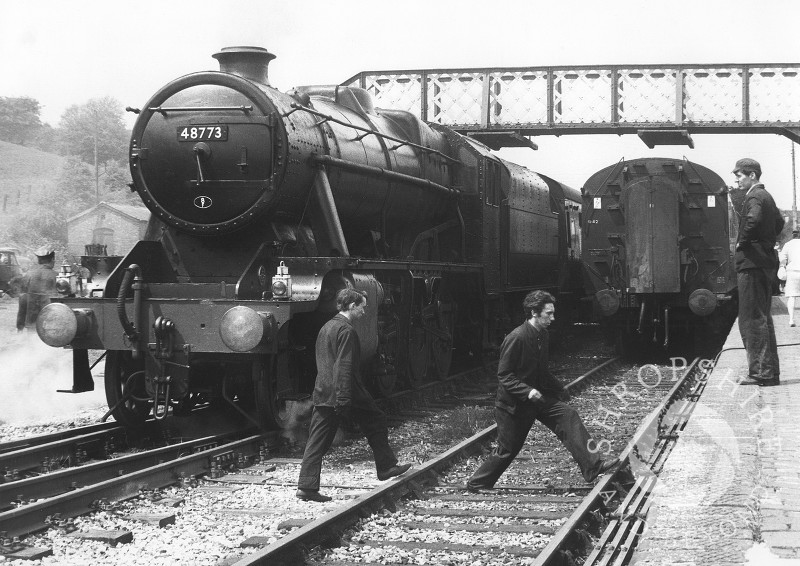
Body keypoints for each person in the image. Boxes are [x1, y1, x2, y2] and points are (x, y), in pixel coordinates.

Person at [466, 290, 619, 492]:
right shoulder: (517, 338)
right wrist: (527, 391)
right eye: (549, 313)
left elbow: (541, 371)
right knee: (507, 450)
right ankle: (477, 483)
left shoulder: (542, 336)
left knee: (568, 415)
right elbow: (504, 376)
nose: (553, 318)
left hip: (538, 401)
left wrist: (559, 389)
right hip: (514, 405)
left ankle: (593, 466)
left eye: (553, 313)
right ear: (533, 312)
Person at [296, 288, 411, 502]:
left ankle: (307, 486)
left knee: (317, 440)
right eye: (362, 307)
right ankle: (386, 467)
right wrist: (344, 398)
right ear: (351, 306)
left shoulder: (327, 327)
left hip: (323, 391)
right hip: (345, 390)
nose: (364, 311)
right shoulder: (346, 331)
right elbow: (344, 366)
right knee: (376, 419)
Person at [733, 158, 784, 386]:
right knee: (763, 319)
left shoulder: (753, 196)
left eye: (740, 175)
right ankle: (770, 372)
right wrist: (766, 240)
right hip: (764, 263)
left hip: (751, 264)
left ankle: (760, 373)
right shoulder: (768, 197)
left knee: (751, 319)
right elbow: (780, 222)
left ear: (752, 175)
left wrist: (742, 244)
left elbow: (752, 219)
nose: (737, 179)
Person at [18, 247, 58, 331]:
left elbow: (22, 301)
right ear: (52, 259)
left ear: (38, 260)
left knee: (32, 343)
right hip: (50, 324)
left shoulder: (29, 275)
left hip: (32, 322)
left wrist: (20, 325)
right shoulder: (57, 276)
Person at [779, 229, 800, 327]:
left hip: (792, 272)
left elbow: (783, 259)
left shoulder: (787, 244)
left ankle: (791, 320)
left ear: (793, 235)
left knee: (791, 297)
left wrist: (782, 267)